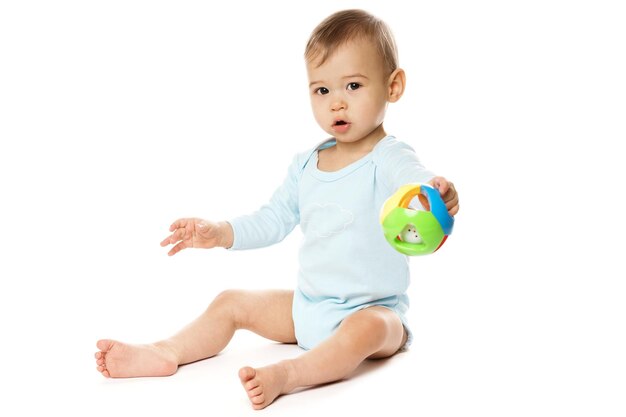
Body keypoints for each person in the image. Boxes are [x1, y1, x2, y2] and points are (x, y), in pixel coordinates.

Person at [94, 9, 460, 410]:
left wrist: (435, 190)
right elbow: (273, 219)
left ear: (393, 86)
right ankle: (165, 351)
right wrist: (220, 232)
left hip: (374, 313)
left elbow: (414, 179)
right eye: (322, 90)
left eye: (353, 85)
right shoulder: (305, 165)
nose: (336, 102)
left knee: (368, 328)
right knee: (231, 301)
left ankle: (289, 374)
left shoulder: (387, 156)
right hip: (308, 307)